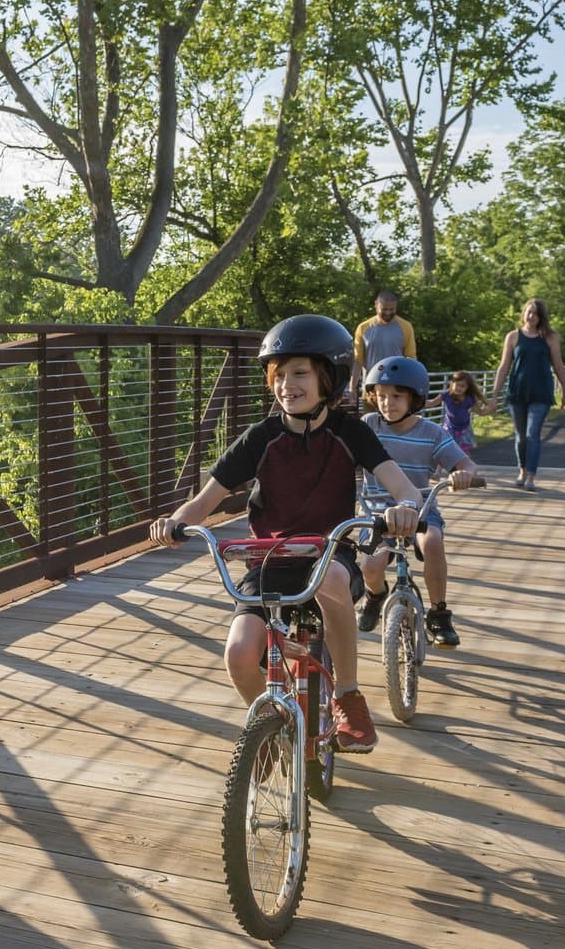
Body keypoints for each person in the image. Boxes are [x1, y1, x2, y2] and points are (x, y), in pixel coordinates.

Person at [149, 314, 424, 754]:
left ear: (328, 378)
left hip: (329, 555)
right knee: (239, 654)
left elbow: (402, 486)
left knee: (332, 580)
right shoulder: (261, 437)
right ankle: (271, 729)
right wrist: (174, 523)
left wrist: (405, 508)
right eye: (278, 375)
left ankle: (348, 696)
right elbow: (204, 501)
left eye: (299, 373)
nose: (286, 385)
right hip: (268, 561)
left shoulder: (349, 432)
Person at [355, 357, 482, 648]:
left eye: (397, 396)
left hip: (421, 508)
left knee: (433, 542)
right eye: (381, 396)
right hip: (377, 510)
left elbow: (467, 464)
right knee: (371, 565)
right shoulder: (368, 426)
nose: (387, 403)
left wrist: (464, 474)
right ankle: (375, 595)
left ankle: (438, 612)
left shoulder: (432, 433)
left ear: (415, 398)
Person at [491, 299, 565, 492]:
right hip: (517, 392)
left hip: (541, 392)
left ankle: (531, 476)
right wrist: (494, 395)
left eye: (535, 313)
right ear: (523, 313)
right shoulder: (513, 336)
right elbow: (504, 367)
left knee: (532, 434)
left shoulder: (550, 337)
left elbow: (558, 365)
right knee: (521, 437)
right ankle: (522, 470)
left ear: (541, 316)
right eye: (529, 312)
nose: (531, 316)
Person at [351, 289, 417, 399]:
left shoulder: (406, 327)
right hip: (371, 389)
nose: (388, 313)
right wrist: (352, 388)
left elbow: (411, 359)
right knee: (370, 417)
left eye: (392, 309)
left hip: (397, 390)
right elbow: (358, 361)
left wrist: (412, 387)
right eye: (384, 309)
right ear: (376, 305)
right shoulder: (363, 328)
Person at [437, 370, 486, 455]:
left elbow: (480, 412)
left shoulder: (469, 399)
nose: (459, 388)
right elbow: (431, 403)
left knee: (465, 452)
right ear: (452, 384)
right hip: (449, 428)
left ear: (467, 388)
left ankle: (466, 467)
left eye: (462, 386)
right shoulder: (446, 395)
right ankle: (439, 468)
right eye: (457, 385)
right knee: (444, 450)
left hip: (464, 429)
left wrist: (488, 409)